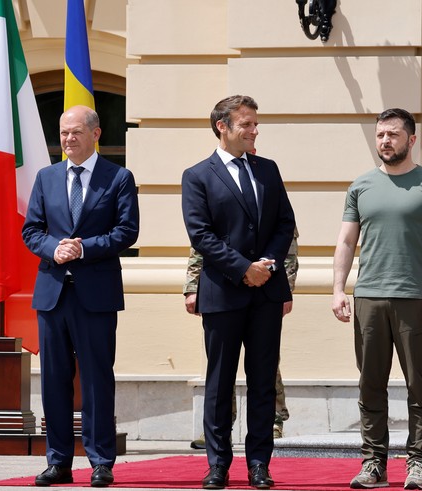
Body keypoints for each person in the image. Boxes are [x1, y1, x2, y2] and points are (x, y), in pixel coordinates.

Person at [332, 108, 422, 491]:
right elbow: (347, 241)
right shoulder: (361, 186)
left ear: (411, 139)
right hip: (368, 297)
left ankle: (418, 463)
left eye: (393, 135)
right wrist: (338, 288)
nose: (385, 141)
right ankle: (373, 463)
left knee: (419, 385)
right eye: (380, 135)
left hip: (416, 300)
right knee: (370, 384)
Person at [22, 105, 140, 487]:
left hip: (96, 294)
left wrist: (84, 248)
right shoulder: (47, 177)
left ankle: (101, 460)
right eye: (63, 133)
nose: (67, 139)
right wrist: (54, 248)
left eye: (75, 132)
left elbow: (127, 231)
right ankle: (58, 461)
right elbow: (32, 230)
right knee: (54, 381)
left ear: (95, 134)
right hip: (53, 293)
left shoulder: (118, 177)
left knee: (96, 380)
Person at [181, 95, 295, 490]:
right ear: (222, 127)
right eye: (246, 124)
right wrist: (242, 269)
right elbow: (201, 234)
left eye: (254, 123)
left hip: (266, 291)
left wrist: (267, 265)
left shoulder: (268, 169)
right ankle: (218, 465)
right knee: (219, 382)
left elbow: (284, 222)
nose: (254, 130)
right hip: (223, 292)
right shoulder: (198, 175)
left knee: (262, 380)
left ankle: (259, 464)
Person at [185, 226, 299, 449]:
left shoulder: (271, 195)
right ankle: (220, 426)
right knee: (221, 364)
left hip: (266, 289)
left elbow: (287, 247)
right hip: (223, 288)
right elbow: (202, 243)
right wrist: (192, 286)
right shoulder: (217, 194)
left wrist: (287, 288)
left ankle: (274, 421)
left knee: (265, 363)